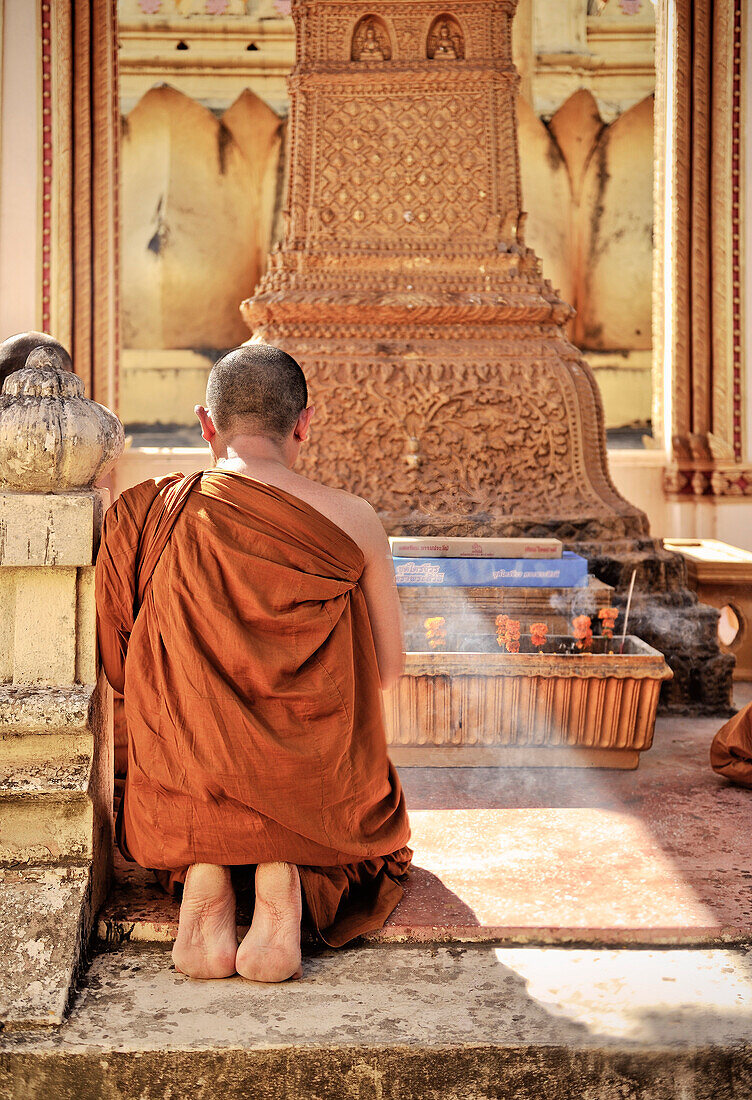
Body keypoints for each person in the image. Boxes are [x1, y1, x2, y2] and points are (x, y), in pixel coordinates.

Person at [95, 344, 412, 983]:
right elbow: (387, 669)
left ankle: (207, 872)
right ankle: (282, 871)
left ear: (205, 424)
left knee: (181, 726)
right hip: (314, 788)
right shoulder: (354, 519)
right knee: (323, 783)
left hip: (190, 778)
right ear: (303, 424)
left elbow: (119, 667)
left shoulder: (152, 512)